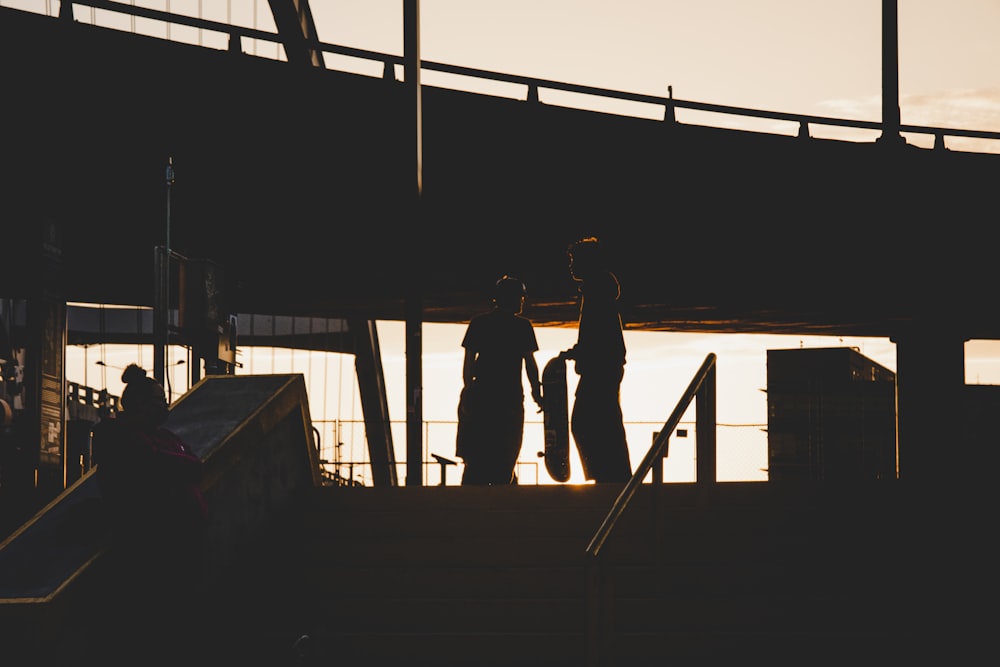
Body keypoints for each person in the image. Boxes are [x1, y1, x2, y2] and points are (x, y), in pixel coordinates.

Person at [90, 363, 208, 663]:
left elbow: (191, 464)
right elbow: (155, 463)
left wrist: (178, 465)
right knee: (154, 624)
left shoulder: (166, 436)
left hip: (181, 545)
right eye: (159, 399)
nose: (164, 405)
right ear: (140, 403)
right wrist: (180, 465)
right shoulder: (115, 433)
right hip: (149, 545)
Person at [456, 275, 544, 485]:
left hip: (481, 396)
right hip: (510, 400)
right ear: (514, 298)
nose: (523, 301)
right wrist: (537, 393)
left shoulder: (479, 323)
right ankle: (503, 493)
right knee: (507, 452)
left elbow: (468, 362)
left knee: (476, 454)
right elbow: (530, 364)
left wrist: (468, 389)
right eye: (521, 298)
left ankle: (471, 497)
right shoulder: (523, 326)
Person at [561, 237, 632, 483]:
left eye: (574, 261)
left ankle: (608, 476)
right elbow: (597, 333)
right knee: (603, 421)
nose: (570, 266)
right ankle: (610, 474)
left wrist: (583, 353)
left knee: (587, 421)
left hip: (600, 369)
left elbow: (599, 333)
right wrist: (578, 351)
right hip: (602, 366)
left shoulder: (596, 292)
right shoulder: (595, 290)